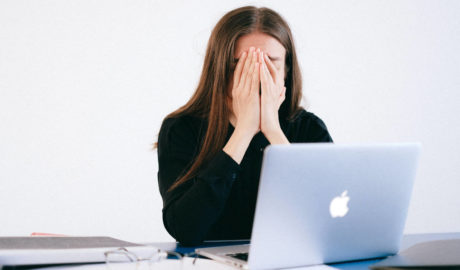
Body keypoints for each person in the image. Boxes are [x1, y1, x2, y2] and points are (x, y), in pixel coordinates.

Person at [156, 6, 333, 246]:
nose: (256, 76)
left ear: (287, 71)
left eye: (270, 63)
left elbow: (326, 221)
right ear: (219, 70)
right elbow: (186, 229)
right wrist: (244, 131)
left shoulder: (309, 129)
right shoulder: (181, 129)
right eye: (240, 65)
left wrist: (273, 130)